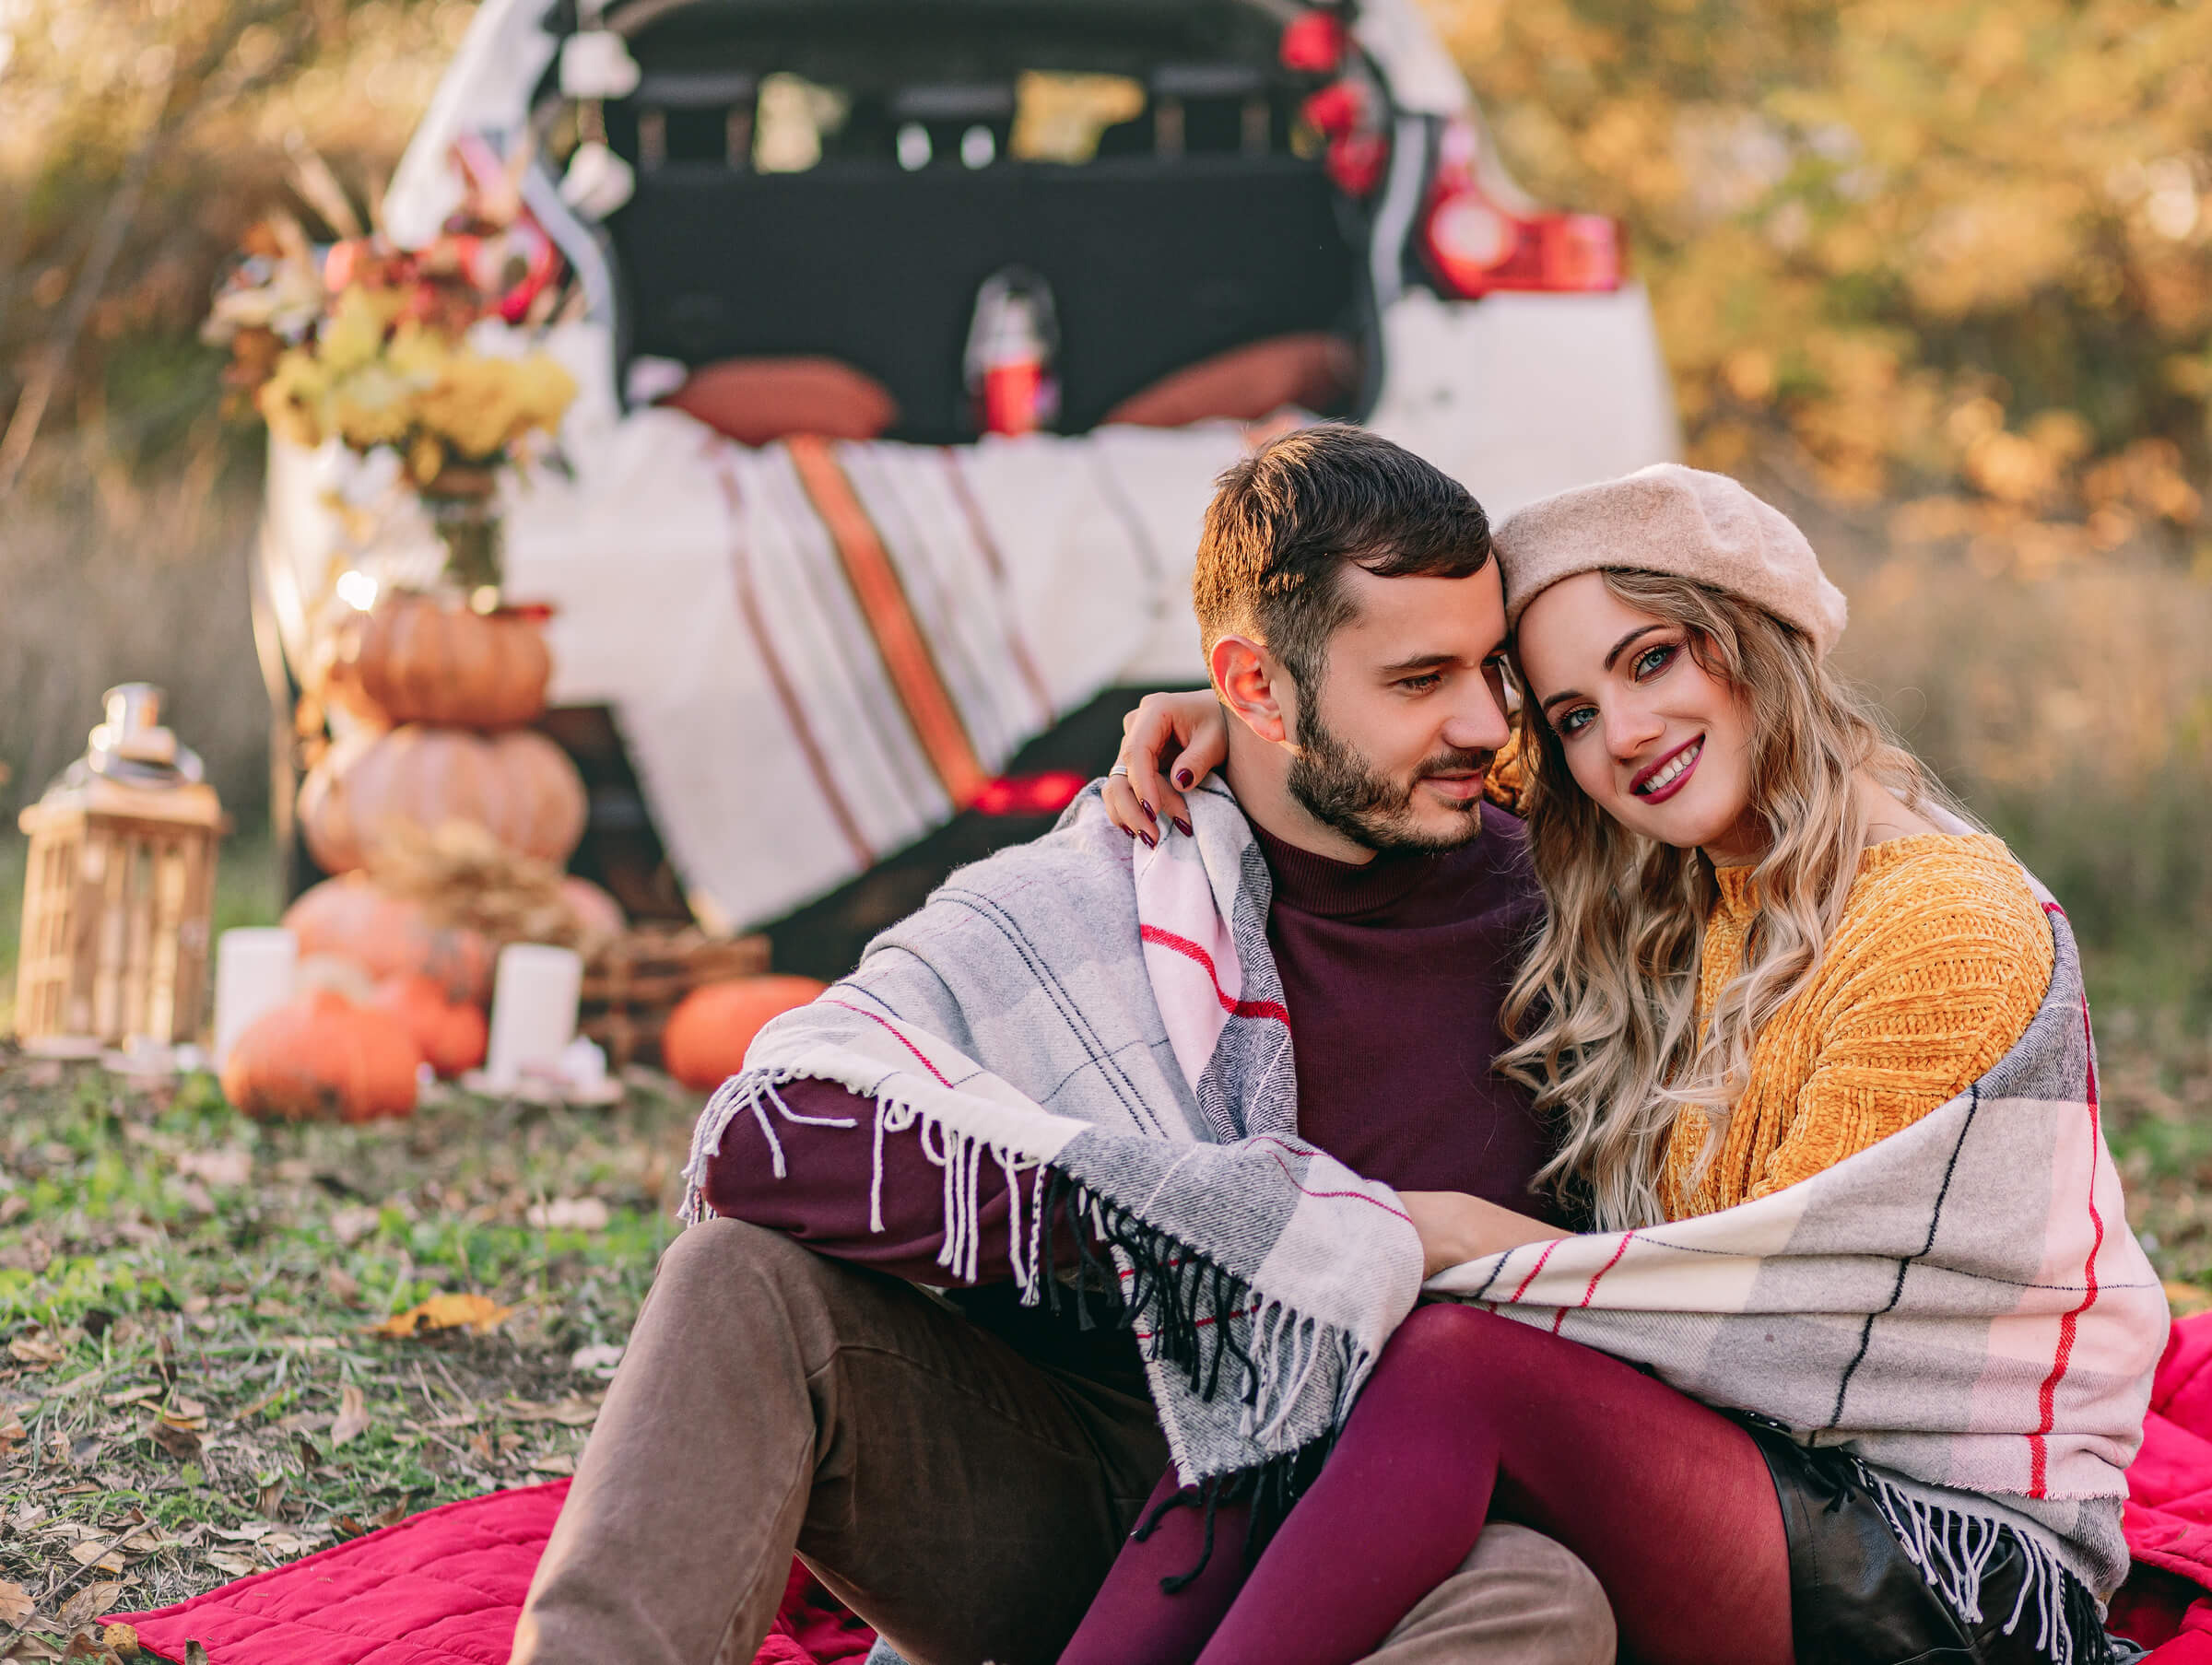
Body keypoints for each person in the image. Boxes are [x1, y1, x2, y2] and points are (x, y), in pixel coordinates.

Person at [508, 426, 1617, 1665]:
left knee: (1540, 1603)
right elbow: (770, 1137)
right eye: (1419, 683)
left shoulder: (1575, 912)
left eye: (1491, 671)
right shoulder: (1100, 892)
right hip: (1078, 1490)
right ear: (1254, 687)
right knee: (738, 1279)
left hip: (1383, 1524)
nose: (1480, 723)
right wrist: (1309, 1231)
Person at [1088, 462, 2166, 1665]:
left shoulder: (1936, 926)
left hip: (1947, 1576)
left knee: (1450, 1365)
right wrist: (1244, 719)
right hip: (1764, 1509)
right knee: (1313, 1373)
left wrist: (1459, 1237)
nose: (1629, 734)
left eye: (1653, 659)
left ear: (1749, 636)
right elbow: (1392, 744)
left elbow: (1786, 1344)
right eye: (1573, 716)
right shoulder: (1696, 873)